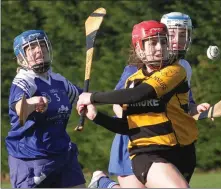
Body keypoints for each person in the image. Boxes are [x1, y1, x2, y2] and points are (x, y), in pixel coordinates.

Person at [77, 20, 211, 188]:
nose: (159, 47)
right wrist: (97, 117)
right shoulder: (132, 81)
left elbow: (139, 94)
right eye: (152, 43)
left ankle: (104, 185)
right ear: (139, 48)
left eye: (163, 41)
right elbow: (128, 127)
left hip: (182, 152)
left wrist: (92, 97)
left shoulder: (175, 71)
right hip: (146, 153)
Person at [5, 30, 86, 188]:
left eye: (42, 45)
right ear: (21, 57)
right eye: (31, 47)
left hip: (62, 154)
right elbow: (19, 108)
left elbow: (84, 97)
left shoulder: (58, 80)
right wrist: (32, 102)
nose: (39, 50)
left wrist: (121, 96)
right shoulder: (24, 80)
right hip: (30, 158)